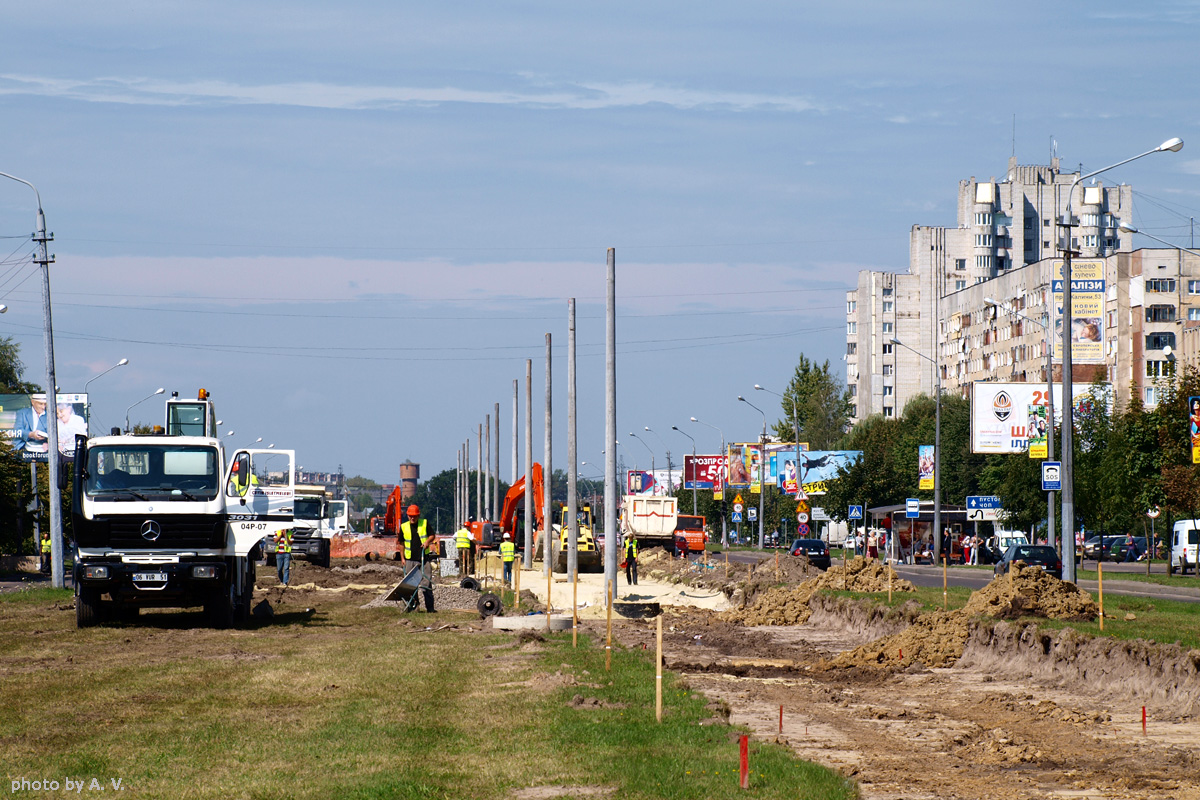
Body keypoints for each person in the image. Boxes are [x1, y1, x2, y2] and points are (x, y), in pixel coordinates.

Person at [400, 504, 436, 612]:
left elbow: (432, 535)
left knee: (426, 584)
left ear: (418, 515)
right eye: (410, 516)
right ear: (407, 516)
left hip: (424, 558)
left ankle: (430, 608)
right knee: (411, 585)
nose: (412, 518)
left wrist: (427, 542)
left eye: (414, 516)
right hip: (410, 559)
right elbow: (401, 544)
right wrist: (402, 558)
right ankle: (414, 607)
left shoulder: (424, 523)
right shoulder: (404, 527)